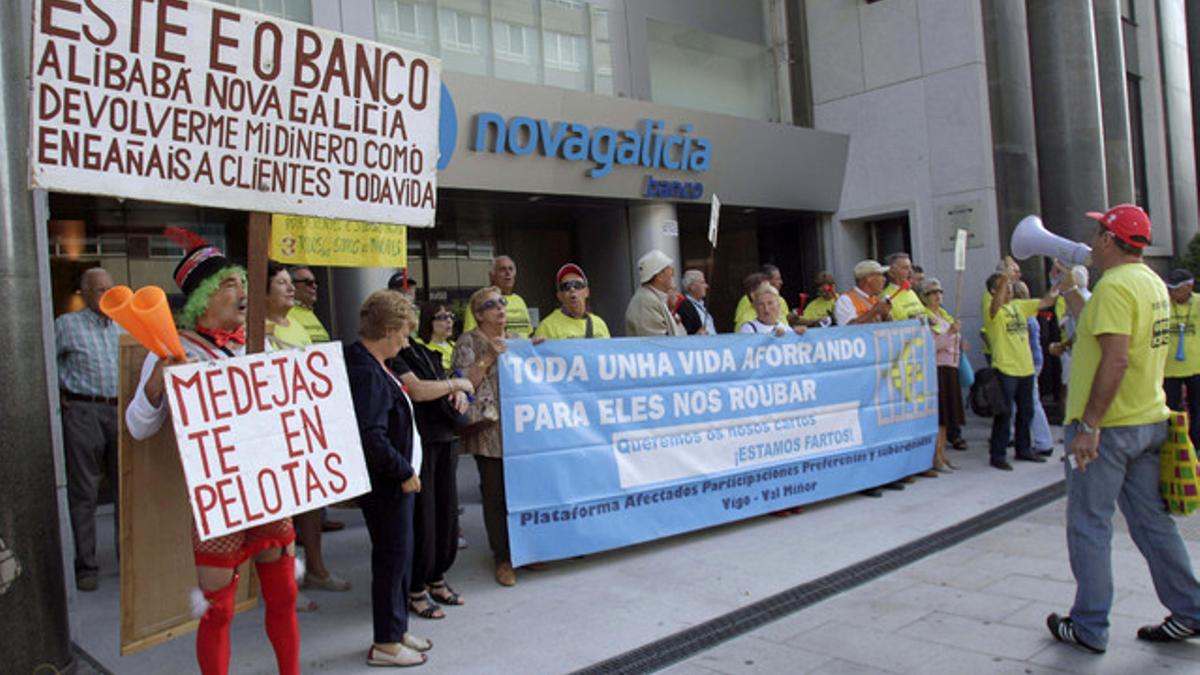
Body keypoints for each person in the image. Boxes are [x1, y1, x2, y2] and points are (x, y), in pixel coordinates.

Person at [125, 230, 299, 675]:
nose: (242, 292)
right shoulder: (172, 351)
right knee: (217, 610)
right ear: (203, 297)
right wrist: (158, 380)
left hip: (268, 486)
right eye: (229, 285)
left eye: (243, 283)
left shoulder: (259, 343)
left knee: (283, 597)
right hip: (217, 496)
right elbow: (139, 427)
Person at [1045, 204, 1200, 653]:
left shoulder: (1114, 287)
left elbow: (1115, 357)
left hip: (1108, 428)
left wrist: (1089, 424)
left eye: (1097, 233)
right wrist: (1071, 290)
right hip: (1146, 419)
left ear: (1110, 239)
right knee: (1154, 524)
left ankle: (1089, 626)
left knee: (1089, 525)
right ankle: (1190, 609)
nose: (1092, 241)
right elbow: (1097, 329)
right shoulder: (1150, 282)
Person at [344, 290, 434, 666]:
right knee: (391, 560)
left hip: (397, 481)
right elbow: (371, 435)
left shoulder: (377, 363)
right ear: (388, 329)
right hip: (387, 484)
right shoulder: (365, 370)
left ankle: (396, 628)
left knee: (401, 557)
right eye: (404, 332)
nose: (407, 340)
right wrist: (402, 470)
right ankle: (385, 642)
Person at [264, 261, 349, 605]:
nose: (289, 288)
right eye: (282, 283)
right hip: (276, 428)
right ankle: (284, 585)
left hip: (309, 424)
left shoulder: (299, 324)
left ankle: (316, 568)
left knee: (311, 505)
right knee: (280, 513)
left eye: (290, 282)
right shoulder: (259, 328)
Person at [399, 302, 471, 621]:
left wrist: (457, 392)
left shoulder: (426, 353)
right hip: (419, 444)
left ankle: (437, 577)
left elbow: (447, 386)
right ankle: (416, 588)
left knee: (446, 515)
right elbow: (419, 390)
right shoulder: (394, 355)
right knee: (424, 518)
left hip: (445, 440)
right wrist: (456, 385)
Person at [55, 267, 121, 592]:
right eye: (98, 290)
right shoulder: (66, 326)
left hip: (119, 410)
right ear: (84, 293)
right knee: (84, 492)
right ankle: (86, 565)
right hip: (84, 411)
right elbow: (47, 363)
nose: (106, 294)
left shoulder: (124, 326)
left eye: (110, 288)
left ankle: (129, 560)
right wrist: (59, 396)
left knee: (126, 489)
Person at [455, 286, 517, 585]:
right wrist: (489, 356)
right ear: (479, 315)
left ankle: (524, 551)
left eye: (501, 302)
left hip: (520, 430)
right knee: (495, 495)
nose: (500, 308)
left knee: (519, 491)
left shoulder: (515, 340)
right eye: (491, 305)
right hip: (490, 431)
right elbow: (464, 384)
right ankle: (502, 557)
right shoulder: (468, 342)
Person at [287, 265, 345, 534]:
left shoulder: (308, 315)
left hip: (322, 401)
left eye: (315, 282)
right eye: (306, 282)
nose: (314, 286)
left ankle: (318, 518)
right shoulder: (289, 317)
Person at [984, 267, 1055, 470]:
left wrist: (1059, 284)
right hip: (1006, 369)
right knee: (1004, 414)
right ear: (994, 292)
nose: (1010, 291)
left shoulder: (1019, 306)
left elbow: (1045, 302)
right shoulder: (993, 310)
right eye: (1004, 288)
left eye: (1010, 287)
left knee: (1027, 412)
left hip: (1026, 369)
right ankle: (997, 455)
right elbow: (994, 308)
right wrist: (1004, 279)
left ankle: (1024, 449)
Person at [919, 278, 962, 472]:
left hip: (950, 367)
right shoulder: (925, 318)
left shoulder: (945, 315)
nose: (937, 296)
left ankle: (943, 454)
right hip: (937, 368)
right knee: (940, 416)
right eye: (932, 293)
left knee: (947, 417)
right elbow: (931, 347)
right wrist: (951, 335)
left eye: (939, 292)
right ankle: (936, 456)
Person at [1011, 281, 1055, 456]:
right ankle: (1022, 435)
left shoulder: (1024, 316)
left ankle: (1044, 441)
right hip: (1035, 360)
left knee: (1032, 402)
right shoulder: (1031, 315)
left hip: (1028, 362)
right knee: (1024, 401)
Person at [1161, 269, 1200, 450]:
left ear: (1189, 287)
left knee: (1197, 409)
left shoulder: (1198, 302)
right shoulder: (1164, 304)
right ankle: (1173, 445)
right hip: (1169, 368)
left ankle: (1196, 446)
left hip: (1196, 367)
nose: (1172, 292)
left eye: (1176, 289)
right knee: (1170, 410)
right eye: (1170, 288)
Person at [534, 263, 611, 339]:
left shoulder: (599, 324)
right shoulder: (547, 327)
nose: (572, 289)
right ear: (559, 296)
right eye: (566, 286)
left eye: (577, 285)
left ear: (587, 292)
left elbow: (608, 350)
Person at [463, 255, 533, 338]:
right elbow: (471, 337)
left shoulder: (520, 301)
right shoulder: (480, 301)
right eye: (502, 269)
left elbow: (528, 334)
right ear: (491, 275)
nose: (508, 273)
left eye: (511, 269)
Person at [625, 250, 686, 337]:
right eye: (670, 270)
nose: (672, 274)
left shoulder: (652, 299)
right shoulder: (647, 302)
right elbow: (659, 344)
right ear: (659, 276)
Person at [834, 260, 891, 326]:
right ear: (869, 278)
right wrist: (874, 312)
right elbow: (848, 331)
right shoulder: (845, 300)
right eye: (880, 275)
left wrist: (886, 316)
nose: (884, 279)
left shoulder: (877, 299)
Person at [734, 264, 790, 330]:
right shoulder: (747, 324)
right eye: (765, 288)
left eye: (770, 303)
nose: (767, 309)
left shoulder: (779, 321)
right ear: (753, 295)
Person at [738, 283, 805, 337]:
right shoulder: (749, 328)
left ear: (778, 306)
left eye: (770, 303)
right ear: (755, 307)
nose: (766, 309)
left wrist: (797, 335)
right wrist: (771, 336)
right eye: (761, 304)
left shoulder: (785, 328)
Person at [286, 265, 330, 344]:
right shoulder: (285, 313)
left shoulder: (309, 313)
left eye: (315, 282)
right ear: (291, 285)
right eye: (308, 283)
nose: (314, 286)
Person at [882, 253, 928, 322]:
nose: (910, 272)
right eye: (905, 268)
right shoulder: (885, 296)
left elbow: (924, 314)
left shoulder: (911, 292)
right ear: (892, 273)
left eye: (910, 267)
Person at [677, 269, 716, 335]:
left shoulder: (700, 306)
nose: (706, 286)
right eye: (702, 282)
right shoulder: (685, 307)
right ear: (692, 286)